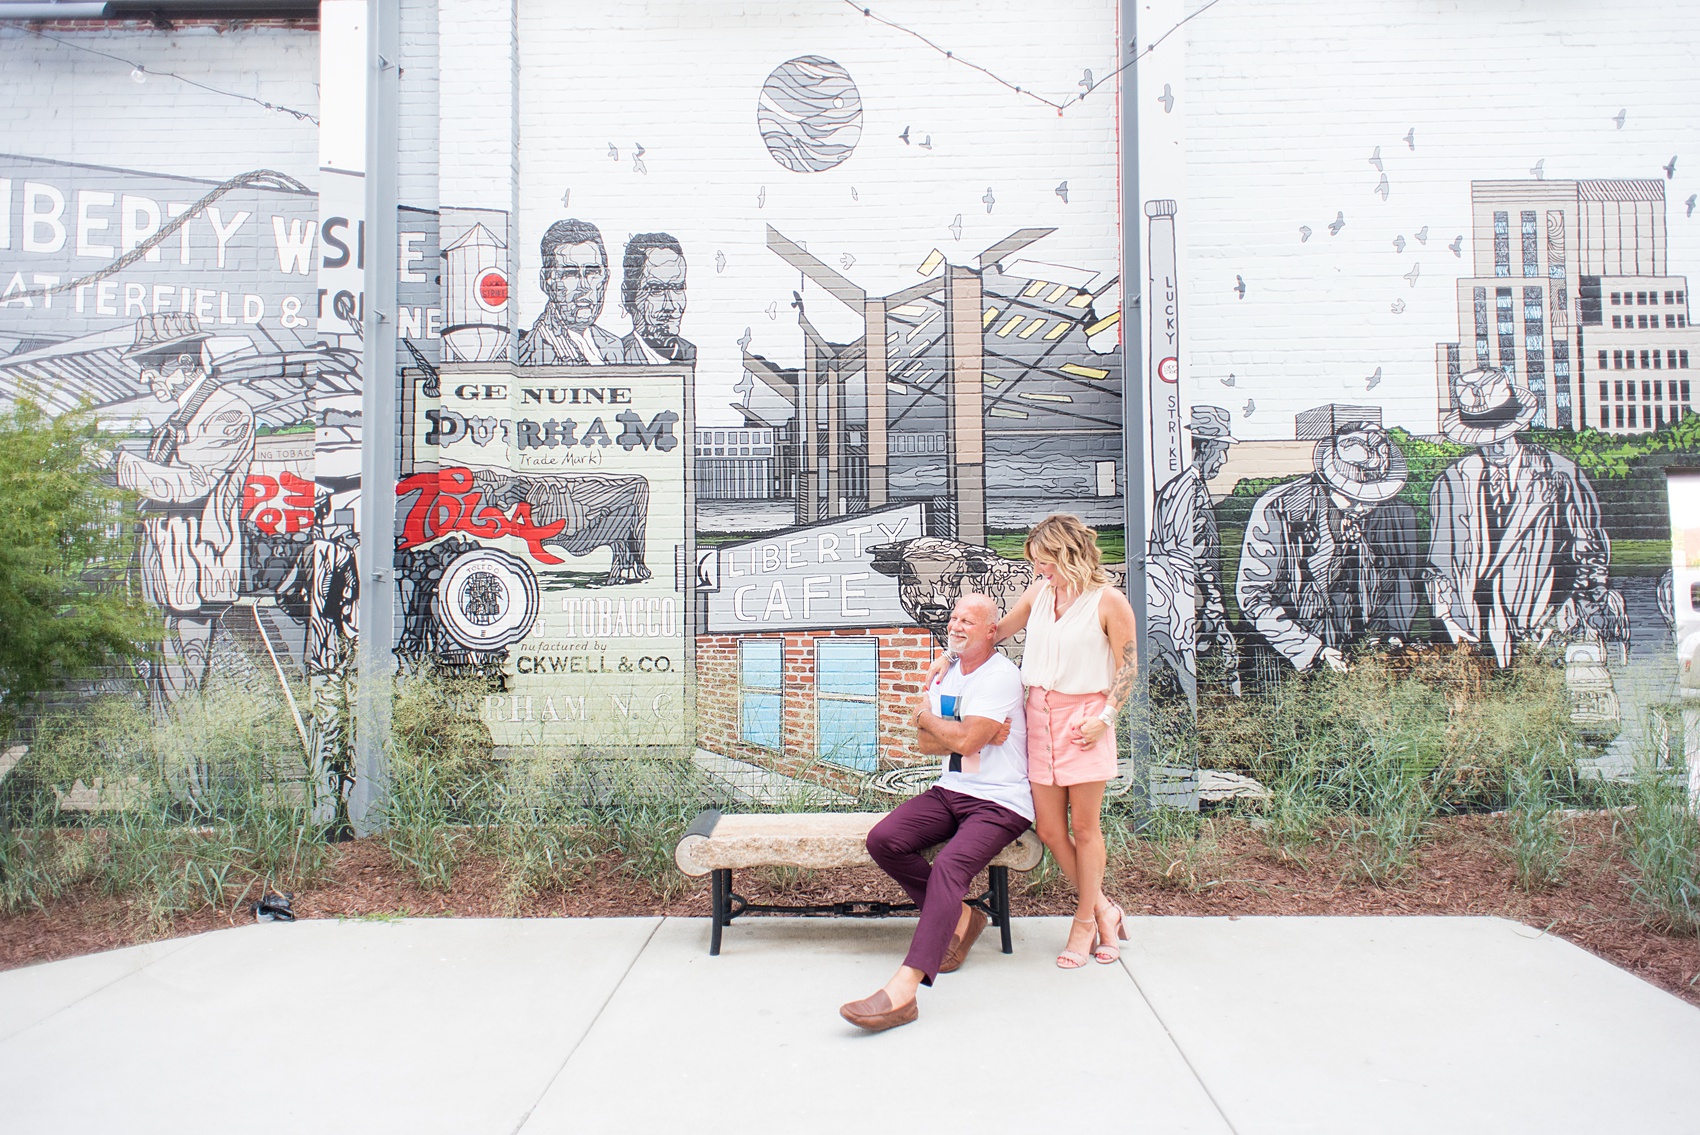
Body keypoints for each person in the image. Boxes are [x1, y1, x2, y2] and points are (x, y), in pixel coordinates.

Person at [924, 513, 1138, 970]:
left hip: (1085, 719)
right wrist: (949, 655)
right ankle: (1104, 907)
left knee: (1085, 829)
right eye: (1037, 563)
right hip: (1037, 715)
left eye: (1046, 562)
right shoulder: (1041, 592)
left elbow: (1128, 666)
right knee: (1049, 829)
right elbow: (994, 632)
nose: (1039, 570)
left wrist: (1106, 718)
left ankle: (1084, 923)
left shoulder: (1108, 601)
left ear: (1070, 554)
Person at [839, 593, 1031, 1033]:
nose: (957, 625)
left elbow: (963, 743)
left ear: (990, 631)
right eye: (954, 617)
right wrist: (941, 727)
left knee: (948, 866)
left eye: (969, 620)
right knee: (884, 840)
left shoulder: (999, 677)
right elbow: (930, 744)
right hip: (952, 788)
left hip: (1000, 801)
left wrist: (931, 720)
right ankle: (964, 916)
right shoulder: (945, 672)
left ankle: (904, 991)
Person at [1427, 367, 1623, 666]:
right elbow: (1438, 566)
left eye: (1501, 431)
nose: (1493, 443)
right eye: (1483, 435)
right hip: (1473, 632)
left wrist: (1566, 612)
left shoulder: (1559, 472)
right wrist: (1450, 623)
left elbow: (1590, 552)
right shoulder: (1451, 481)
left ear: (1516, 425)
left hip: (1541, 625)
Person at [111, 312, 256, 707]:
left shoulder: (228, 412)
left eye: (151, 368)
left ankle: (182, 769)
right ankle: (170, 766)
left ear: (185, 364)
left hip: (191, 575)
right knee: (164, 694)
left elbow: (190, 482)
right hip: (167, 575)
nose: (145, 379)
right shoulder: (181, 415)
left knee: (181, 699)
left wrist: (117, 464)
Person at [1235, 422, 1420, 673]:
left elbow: (1401, 582)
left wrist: (1391, 632)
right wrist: (1313, 649)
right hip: (1288, 660)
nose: (1362, 508)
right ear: (1329, 482)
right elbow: (1254, 596)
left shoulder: (1398, 514)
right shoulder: (1278, 509)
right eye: (1353, 499)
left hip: (1360, 659)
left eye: (1372, 500)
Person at [1147, 404, 1239, 701]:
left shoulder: (1172, 489)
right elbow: (1198, 559)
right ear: (1205, 447)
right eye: (1221, 449)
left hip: (1175, 601)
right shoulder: (1193, 491)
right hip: (1192, 602)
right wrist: (1213, 607)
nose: (1223, 459)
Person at [517, 218, 625, 365]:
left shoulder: (614, 346)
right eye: (570, 274)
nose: (584, 286)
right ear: (546, 281)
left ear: (605, 278)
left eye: (592, 273)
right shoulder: (531, 353)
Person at [618, 232, 695, 364]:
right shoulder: (618, 356)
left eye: (677, 288)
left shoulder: (690, 353)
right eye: (657, 290)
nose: (671, 305)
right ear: (628, 297)